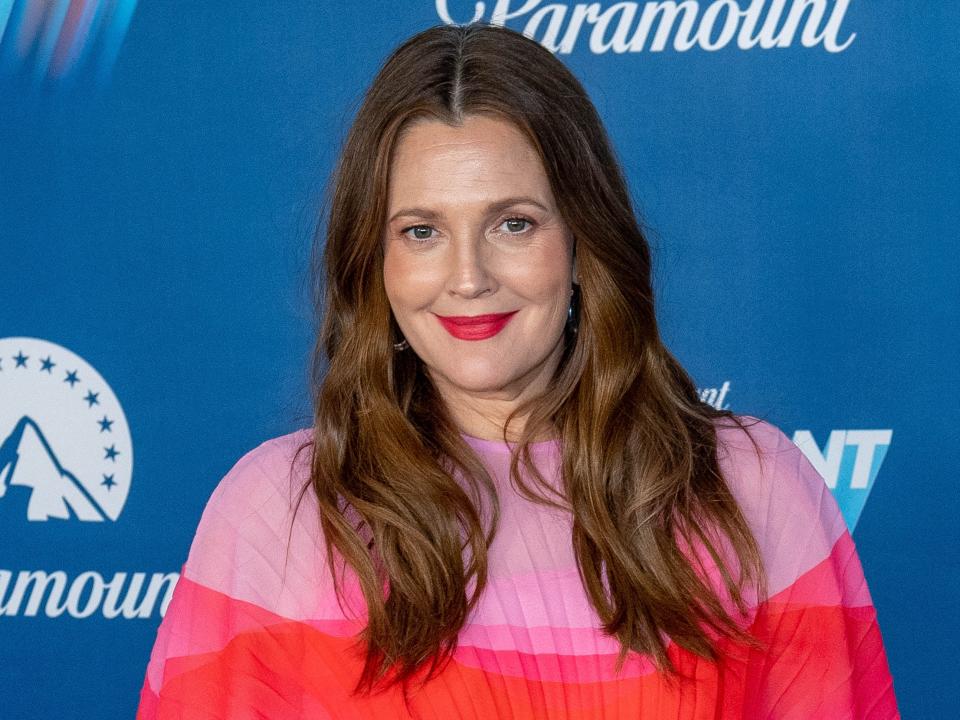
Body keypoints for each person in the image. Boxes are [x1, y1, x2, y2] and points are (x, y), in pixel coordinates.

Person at [136, 22, 899, 719]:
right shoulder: (282, 513)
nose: (468, 276)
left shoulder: (753, 488)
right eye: (422, 230)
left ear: (581, 243)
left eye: (513, 224)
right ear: (377, 261)